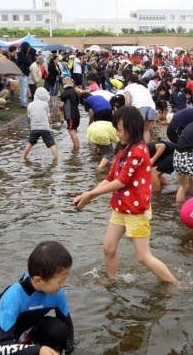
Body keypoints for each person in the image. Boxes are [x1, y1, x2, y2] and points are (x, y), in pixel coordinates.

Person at [73, 106, 179, 284]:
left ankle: (175, 284)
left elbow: (121, 181)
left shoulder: (138, 150)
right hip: (121, 207)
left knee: (143, 257)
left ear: (132, 128)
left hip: (136, 210)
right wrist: (88, 194)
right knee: (108, 248)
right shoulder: (123, 150)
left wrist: (91, 195)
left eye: (119, 130)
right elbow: (109, 178)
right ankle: (112, 281)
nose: (116, 133)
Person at [0, 241, 74, 355]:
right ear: (38, 280)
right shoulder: (14, 296)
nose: (63, 284)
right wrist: (38, 350)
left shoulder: (57, 293)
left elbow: (68, 328)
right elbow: (1, 346)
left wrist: (67, 351)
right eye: (60, 281)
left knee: (58, 330)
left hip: (26, 332)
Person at [23, 88, 58, 160]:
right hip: (44, 128)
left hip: (34, 128)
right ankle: (56, 159)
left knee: (30, 143)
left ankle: (23, 157)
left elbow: (30, 117)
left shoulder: (29, 105)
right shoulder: (45, 104)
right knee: (52, 144)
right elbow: (48, 117)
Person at [124, 74, 156, 143]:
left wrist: (125, 112)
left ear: (129, 81)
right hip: (151, 106)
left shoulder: (128, 87)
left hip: (140, 105)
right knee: (146, 130)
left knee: (136, 129)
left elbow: (128, 102)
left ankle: (135, 147)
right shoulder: (143, 87)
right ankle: (146, 149)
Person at [59, 77, 80, 150]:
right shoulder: (75, 92)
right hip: (76, 115)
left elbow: (61, 105)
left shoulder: (65, 93)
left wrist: (60, 108)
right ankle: (75, 146)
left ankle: (76, 149)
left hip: (70, 115)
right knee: (73, 130)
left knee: (71, 131)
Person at [16, 42, 32, 107]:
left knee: (24, 88)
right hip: (22, 73)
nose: (28, 49)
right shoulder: (21, 54)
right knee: (24, 88)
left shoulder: (25, 54)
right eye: (28, 47)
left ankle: (24, 101)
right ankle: (24, 103)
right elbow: (27, 61)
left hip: (25, 72)